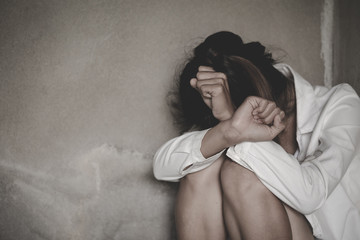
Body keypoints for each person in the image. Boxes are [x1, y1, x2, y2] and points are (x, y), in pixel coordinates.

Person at [153, 31, 360, 240]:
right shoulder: (229, 104)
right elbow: (162, 166)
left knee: (240, 174)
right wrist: (229, 129)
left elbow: (311, 195)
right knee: (203, 167)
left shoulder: (339, 103)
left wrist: (232, 119)